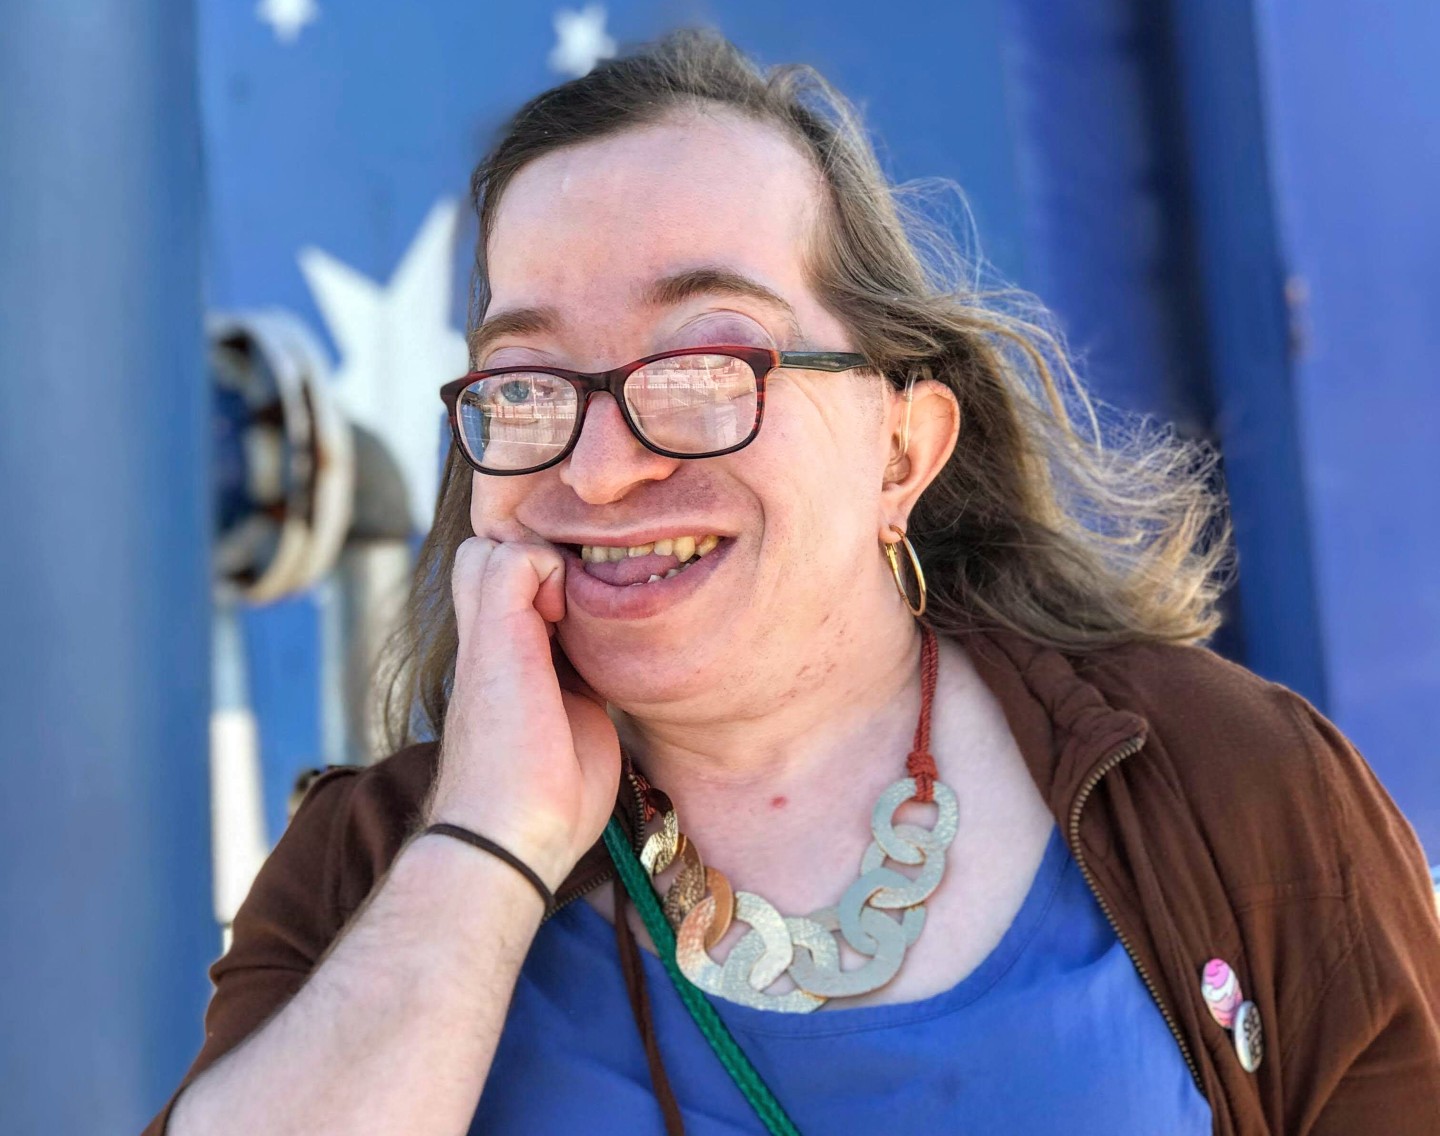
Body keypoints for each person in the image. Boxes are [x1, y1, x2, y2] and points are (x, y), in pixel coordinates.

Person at [145, 27, 1440, 1136]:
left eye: (709, 366)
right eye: (528, 384)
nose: (598, 473)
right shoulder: (368, 870)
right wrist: (486, 843)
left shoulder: (1225, 784)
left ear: (901, 448)